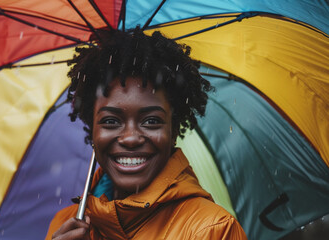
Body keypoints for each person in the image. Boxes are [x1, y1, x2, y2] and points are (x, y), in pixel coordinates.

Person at [46, 28, 247, 239]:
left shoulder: (213, 230)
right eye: (111, 121)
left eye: (151, 121)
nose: (131, 138)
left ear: (174, 129)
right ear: (92, 127)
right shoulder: (64, 225)